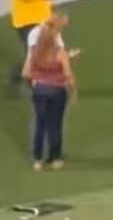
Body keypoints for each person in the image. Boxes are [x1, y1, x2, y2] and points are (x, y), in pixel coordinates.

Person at [22, 15, 76, 171]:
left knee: (40, 124)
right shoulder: (60, 53)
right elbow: (68, 75)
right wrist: (72, 92)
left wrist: (36, 80)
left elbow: (26, 73)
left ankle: (38, 160)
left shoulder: (35, 51)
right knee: (55, 125)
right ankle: (56, 159)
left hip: (40, 91)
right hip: (57, 91)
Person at [9, 0, 55, 88]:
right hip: (27, 21)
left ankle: (18, 77)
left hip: (37, 19)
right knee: (35, 54)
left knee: (37, 53)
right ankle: (33, 84)